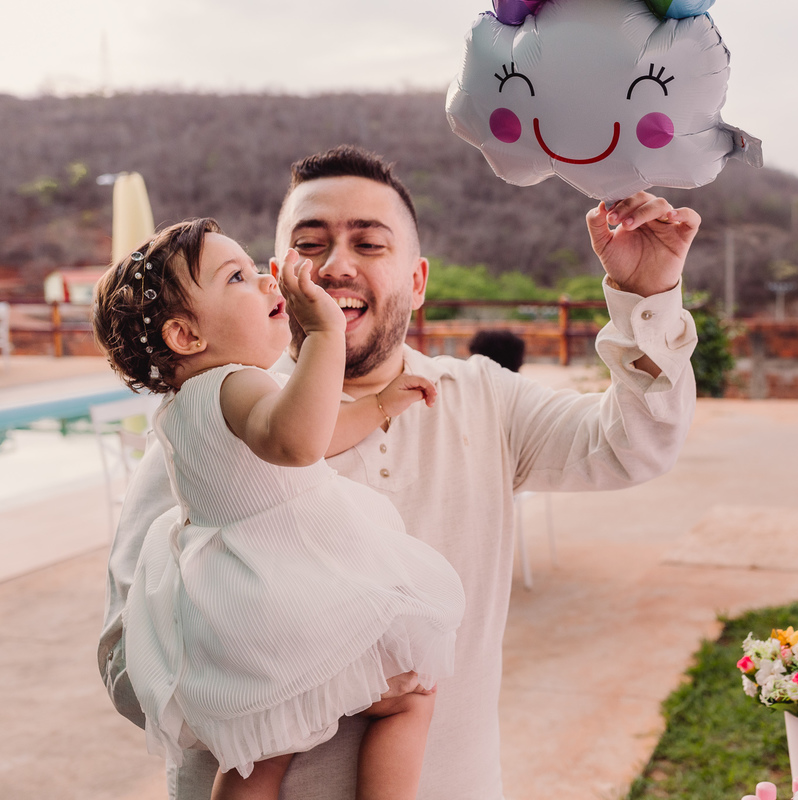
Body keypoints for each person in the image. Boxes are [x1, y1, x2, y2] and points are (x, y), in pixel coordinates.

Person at [99, 145, 700, 799]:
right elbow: (127, 664)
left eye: (369, 243)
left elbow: (634, 444)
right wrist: (309, 683)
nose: (335, 266)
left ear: (416, 280)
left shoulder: (482, 398)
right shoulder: (212, 429)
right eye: (310, 243)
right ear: (278, 276)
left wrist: (649, 298)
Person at [92, 218, 466, 800]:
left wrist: (380, 409)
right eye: (238, 276)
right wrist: (323, 334)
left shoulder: (181, 407)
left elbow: (310, 435)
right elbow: (297, 442)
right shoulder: (237, 383)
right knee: (411, 697)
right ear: (187, 335)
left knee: (258, 754)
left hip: (239, 605)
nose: (270, 281)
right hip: (288, 592)